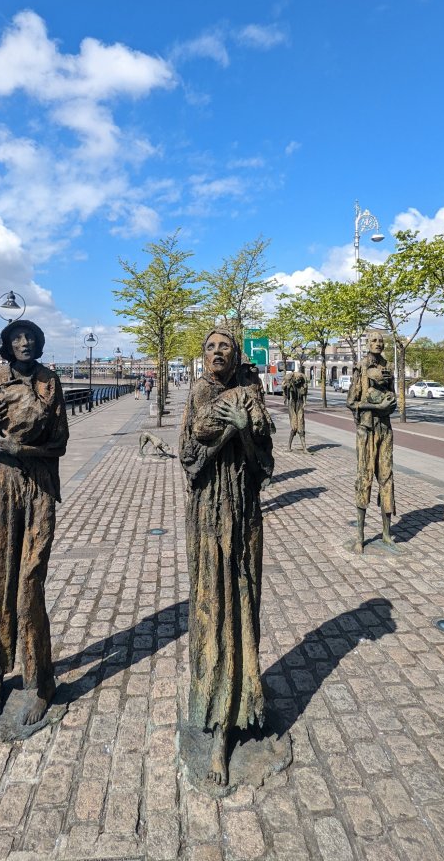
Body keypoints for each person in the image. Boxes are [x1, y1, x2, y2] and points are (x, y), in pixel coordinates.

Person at [179, 328, 274, 786]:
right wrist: (229, 432)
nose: (217, 352)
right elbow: (189, 459)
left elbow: (264, 466)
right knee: (211, 605)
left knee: (244, 600)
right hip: (207, 514)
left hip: (245, 512)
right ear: (203, 356)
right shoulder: (198, 393)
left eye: (226, 347)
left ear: (236, 356)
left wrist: (247, 433)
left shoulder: (251, 393)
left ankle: (243, 703)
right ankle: (214, 715)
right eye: (211, 347)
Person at [0, 320, 69, 725]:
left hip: (39, 488)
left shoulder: (49, 381)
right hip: (6, 487)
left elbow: (60, 443)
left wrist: (23, 448)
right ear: (8, 345)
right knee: (2, 579)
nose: (24, 342)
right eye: (17, 338)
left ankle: (39, 683)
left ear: (38, 342)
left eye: (30, 337)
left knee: (30, 583)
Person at [346, 332, 400, 553]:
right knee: (364, 476)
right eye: (374, 341)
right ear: (367, 344)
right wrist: (376, 407)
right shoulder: (361, 367)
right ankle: (360, 536)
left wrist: (390, 404)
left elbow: (393, 397)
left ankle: (386, 533)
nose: (378, 344)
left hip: (385, 429)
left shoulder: (388, 367)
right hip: (366, 430)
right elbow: (351, 402)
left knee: (386, 477)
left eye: (381, 341)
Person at [282, 370, 309, 451]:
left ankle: (304, 448)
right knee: (294, 427)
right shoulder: (290, 384)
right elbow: (285, 391)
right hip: (292, 405)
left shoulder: (302, 384)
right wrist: (285, 398)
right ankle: (289, 446)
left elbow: (304, 394)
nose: (298, 382)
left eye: (299, 381)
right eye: (296, 381)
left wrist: (305, 402)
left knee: (301, 425)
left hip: (300, 404)